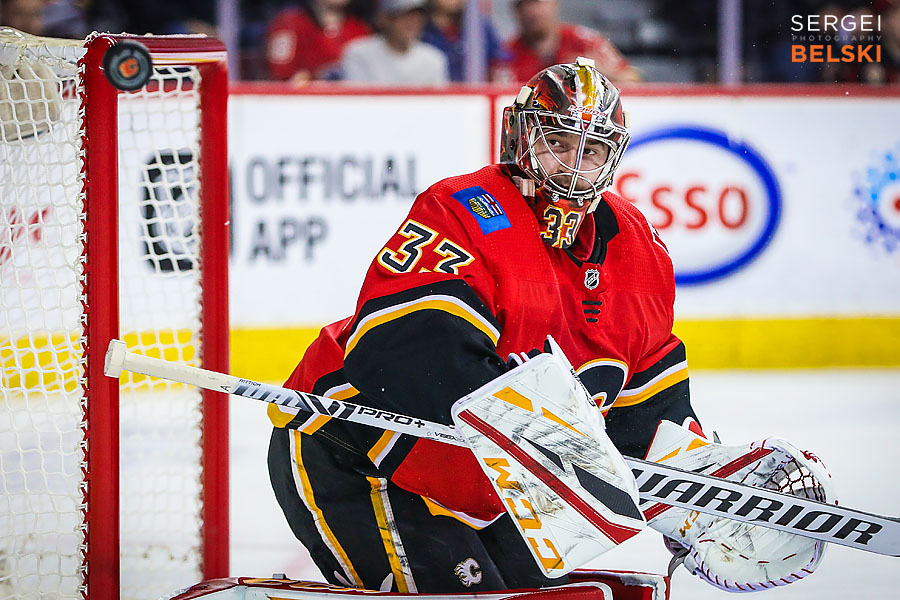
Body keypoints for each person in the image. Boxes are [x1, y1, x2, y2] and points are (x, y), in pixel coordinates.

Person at [267, 59, 831, 594]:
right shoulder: (462, 209)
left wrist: (694, 490)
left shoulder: (640, 251)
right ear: (519, 136)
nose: (572, 163)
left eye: (592, 151)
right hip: (355, 452)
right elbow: (406, 353)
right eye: (557, 143)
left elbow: (646, 414)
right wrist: (549, 439)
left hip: (494, 492)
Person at [506, 0, 641, 85]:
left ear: (554, 3)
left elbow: (634, 80)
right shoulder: (506, 54)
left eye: (537, 2)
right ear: (515, 11)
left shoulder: (587, 43)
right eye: (523, 4)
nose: (532, 11)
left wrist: (599, 74)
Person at [341, 0, 449, 86]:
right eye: (404, 15)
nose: (413, 22)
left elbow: (439, 107)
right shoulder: (359, 54)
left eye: (418, 16)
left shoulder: (434, 59)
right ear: (385, 18)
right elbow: (357, 104)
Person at [265, 0, 371, 83]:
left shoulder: (359, 28)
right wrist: (314, 77)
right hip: (304, 102)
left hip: (352, 102)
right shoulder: (289, 23)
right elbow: (280, 76)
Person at [421, 0, 510, 82]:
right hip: (435, 94)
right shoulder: (422, 28)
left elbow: (500, 60)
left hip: (476, 92)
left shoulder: (480, 25)